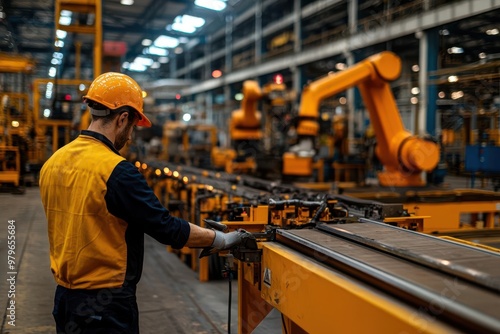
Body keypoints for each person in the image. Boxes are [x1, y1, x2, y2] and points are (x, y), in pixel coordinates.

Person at [39, 72, 250, 334]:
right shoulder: (116, 171)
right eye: (132, 128)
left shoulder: (53, 162)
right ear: (122, 118)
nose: (130, 138)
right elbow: (166, 227)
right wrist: (222, 239)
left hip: (65, 300)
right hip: (106, 304)